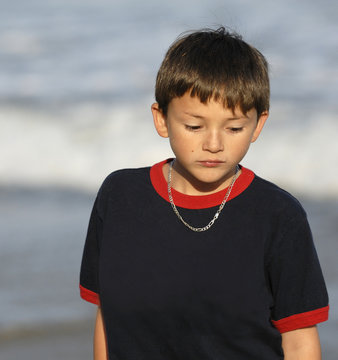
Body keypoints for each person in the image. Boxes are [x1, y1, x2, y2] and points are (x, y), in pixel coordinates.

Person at [79, 27, 329, 359]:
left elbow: (299, 339)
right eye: (194, 126)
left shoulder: (279, 216)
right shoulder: (119, 197)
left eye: (234, 127)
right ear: (162, 119)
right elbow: (106, 316)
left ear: (259, 124)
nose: (213, 144)